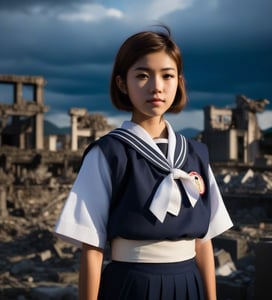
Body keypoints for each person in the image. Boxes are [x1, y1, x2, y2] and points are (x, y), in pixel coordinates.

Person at [54, 25, 233, 300]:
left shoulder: (196, 153)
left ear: (179, 83)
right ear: (122, 83)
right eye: (142, 75)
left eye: (167, 75)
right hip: (130, 285)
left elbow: (204, 243)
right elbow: (92, 248)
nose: (156, 87)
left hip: (190, 285)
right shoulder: (108, 153)